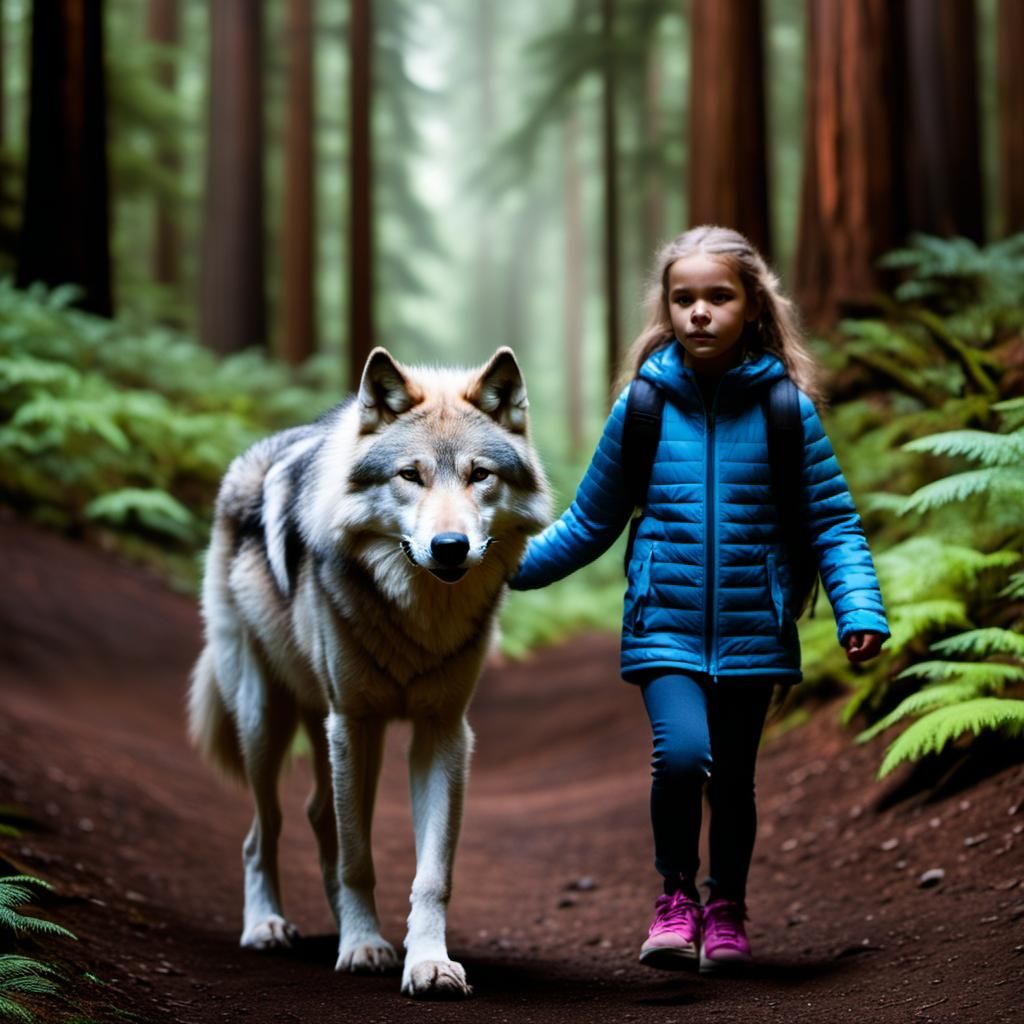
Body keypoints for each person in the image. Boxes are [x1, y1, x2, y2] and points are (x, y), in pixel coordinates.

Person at [508, 225, 889, 974]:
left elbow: (832, 523)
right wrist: (499, 569)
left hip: (756, 627)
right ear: (667, 308)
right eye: (684, 299)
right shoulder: (644, 407)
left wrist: (859, 609)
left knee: (736, 781)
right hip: (665, 624)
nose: (700, 312)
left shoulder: (786, 410)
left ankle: (727, 908)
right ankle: (676, 897)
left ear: (753, 306)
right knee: (682, 757)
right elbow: (589, 521)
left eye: (719, 296)